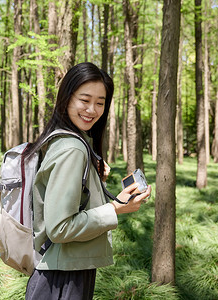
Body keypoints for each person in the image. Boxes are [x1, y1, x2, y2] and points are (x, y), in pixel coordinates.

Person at [24, 62, 151, 300]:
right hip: (63, 278)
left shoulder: (63, 139)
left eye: (100, 103)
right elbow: (60, 227)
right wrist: (115, 208)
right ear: (67, 98)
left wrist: (91, 179)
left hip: (58, 270)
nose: (92, 110)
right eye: (84, 100)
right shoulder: (72, 147)